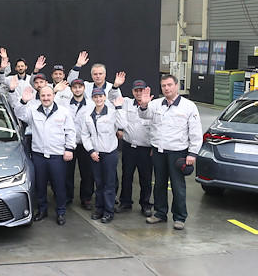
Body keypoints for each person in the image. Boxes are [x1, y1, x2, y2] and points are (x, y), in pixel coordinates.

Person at [138, 74, 202, 230]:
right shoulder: (156, 104)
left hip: (178, 153)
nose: (166, 88)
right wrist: (144, 105)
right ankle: (160, 213)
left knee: (177, 186)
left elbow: (195, 132)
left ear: (176, 86)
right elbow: (143, 116)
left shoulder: (188, 106)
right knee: (159, 184)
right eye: (163, 86)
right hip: (159, 152)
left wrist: (192, 153)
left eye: (169, 85)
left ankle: (179, 217)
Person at [15, 86, 76, 225]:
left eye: (49, 95)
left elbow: (70, 132)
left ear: (54, 95)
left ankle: (61, 212)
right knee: (40, 185)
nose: (46, 98)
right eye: (43, 96)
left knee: (59, 185)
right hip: (39, 155)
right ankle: (42, 210)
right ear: (39, 96)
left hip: (58, 156)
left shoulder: (63, 112)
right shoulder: (33, 111)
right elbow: (19, 114)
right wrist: (23, 101)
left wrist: (69, 149)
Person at [81, 88, 126, 224]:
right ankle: (99, 209)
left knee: (109, 184)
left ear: (105, 97)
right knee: (99, 183)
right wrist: (91, 151)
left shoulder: (113, 113)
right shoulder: (88, 115)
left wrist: (119, 108)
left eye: (101, 96)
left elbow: (123, 124)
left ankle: (108, 211)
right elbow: (85, 135)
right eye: (96, 97)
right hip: (95, 155)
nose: (98, 99)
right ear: (92, 99)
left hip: (109, 154)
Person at [55, 79, 95, 211]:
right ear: (71, 90)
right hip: (69, 144)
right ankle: (67, 197)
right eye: (75, 87)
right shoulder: (64, 104)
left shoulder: (91, 104)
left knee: (87, 173)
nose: (77, 89)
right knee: (67, 173)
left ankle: (86, 198)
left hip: (85, 144)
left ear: (84, 88)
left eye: (80, 87)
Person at [115, 79, 153, 217]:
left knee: (146, 178)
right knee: (127, 175)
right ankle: (125, 202)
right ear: (132, 92)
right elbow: (114, 99)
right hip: (129, 146)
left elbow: (156, 128)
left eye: (141, 90)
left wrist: (154, 146)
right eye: (136, 90)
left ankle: (146, 204)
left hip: (145, 148)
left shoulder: (152, 106)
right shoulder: (126, 103)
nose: (138, 93)